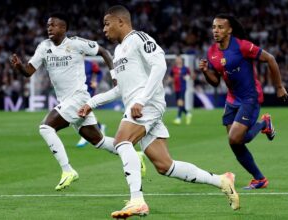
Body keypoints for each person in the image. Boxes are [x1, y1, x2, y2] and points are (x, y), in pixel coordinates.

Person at [78, 6, 239, 219]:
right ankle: (222, 180)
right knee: (165, 166)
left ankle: (137, 201)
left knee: (121, 142)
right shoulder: (118, 52)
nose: (103, 28)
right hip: (139, 105)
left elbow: (160, 65)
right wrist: (92, 102)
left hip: (147, 105)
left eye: (107, 23)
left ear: (121, 22)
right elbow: (121, 89)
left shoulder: (139, 38)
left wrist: (142, 100)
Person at [9, 12, 145, 191]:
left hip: (78, 97)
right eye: (48, 25)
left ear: (63, 28)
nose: (49, 28)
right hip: (67, 101)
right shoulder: (44, 47)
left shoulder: (75, 43)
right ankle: (135, 155)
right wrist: (19, 66)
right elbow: (29, 71)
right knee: (98, 141)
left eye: (53, 25)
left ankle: (67, 171)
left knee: (46, 127)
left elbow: (103, 51)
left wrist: (114, 75)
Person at [199, 14, 288, 190]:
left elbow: (270, 59)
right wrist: (204, 71)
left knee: (235, 138)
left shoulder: (243, 46)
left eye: (220, 27)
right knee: (235, 142)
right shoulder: (212, 52)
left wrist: (279, 87)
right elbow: (215, 82)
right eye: (213, 27)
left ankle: (264, 123)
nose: (215, 31)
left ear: (229, 30)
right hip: (232, 99)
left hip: (250, 97)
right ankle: (259, 179)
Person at [76, 60, 106, 147]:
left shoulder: (90, 64)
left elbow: (99, 72)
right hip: (77, 91)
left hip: (88, 90)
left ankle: (85, 136)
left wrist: (96, 81)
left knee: (84, 111)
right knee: (84, 111)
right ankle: (100, 126)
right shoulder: (73, 62)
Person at [170, 56, 192, 125]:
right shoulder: (173, 69)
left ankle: (178, 118)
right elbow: (171, 76)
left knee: (180, 102)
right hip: (176, 88)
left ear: (181, 60)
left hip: (182, 87)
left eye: (179, 59)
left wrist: (187, 77)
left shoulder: (185, 68)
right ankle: (187, 113)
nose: (178, 60)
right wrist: (171, 81)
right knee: (179, 103)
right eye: (177, 59)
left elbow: (189, 76)